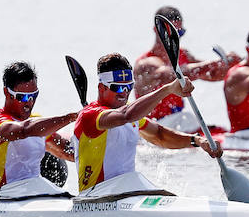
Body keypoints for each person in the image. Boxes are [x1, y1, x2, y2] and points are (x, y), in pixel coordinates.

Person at [73, 53, 220, 193]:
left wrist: (197, 141)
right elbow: (126, 116)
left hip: (127, 192)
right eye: (117, 87)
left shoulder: (132, 115)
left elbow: (160, 135)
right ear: (101, 87)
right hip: (95, 196)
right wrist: (167, 89)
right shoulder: (90, 115)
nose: (124, 92)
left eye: (129, 86)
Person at [134, 5, 240, 132]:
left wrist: (234, 66)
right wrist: (216, 62)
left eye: (179, 33)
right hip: (153, 127)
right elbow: (174, 74)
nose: (176, 38)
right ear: (156, 30)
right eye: (172, 33)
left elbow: (212, 75)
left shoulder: (183, 54)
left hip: (179, 122)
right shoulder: (146, 64)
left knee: (218, 130)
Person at [0, 61, 78, 194]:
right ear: (6, 92)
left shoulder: (38, 124)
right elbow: (24, 130)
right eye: (22, 97)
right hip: (2, 196)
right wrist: (70, 117)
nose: (29, 102)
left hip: (34, 192)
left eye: (33, 95)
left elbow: (67, 151)